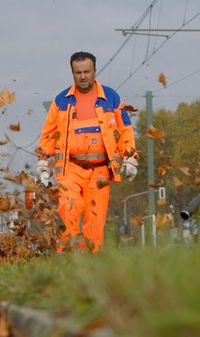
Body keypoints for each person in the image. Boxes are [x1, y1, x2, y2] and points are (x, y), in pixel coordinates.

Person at [36, 51, 138, 252]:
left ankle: (91, 261)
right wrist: (42, 162)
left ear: (94, 71)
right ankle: (69, 257)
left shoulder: (111, 98)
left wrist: (130, 157)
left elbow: (125, 130)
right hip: (70, 168)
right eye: (78, 72)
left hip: (100, 172)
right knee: (69, 207)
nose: (83, 76)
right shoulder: (61, 101)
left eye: (87, 72)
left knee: (95, 220)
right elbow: (48, 133)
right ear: (72, 73)